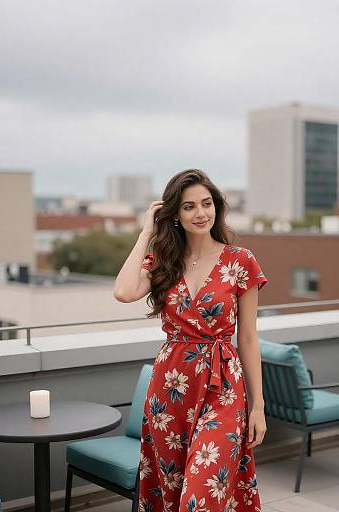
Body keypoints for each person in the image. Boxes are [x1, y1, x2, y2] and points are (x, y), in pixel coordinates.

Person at [114, 169, 268, 512]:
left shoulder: (240, 261)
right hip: (170, 389)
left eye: (206, 203)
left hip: (224, 387)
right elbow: (123, 292)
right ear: (175, 215)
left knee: (202, 494)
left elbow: (248, 337)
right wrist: (146, 232)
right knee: (169, 490)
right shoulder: (164, 261)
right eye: (188, 206)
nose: (201, 213)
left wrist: (258, 406)